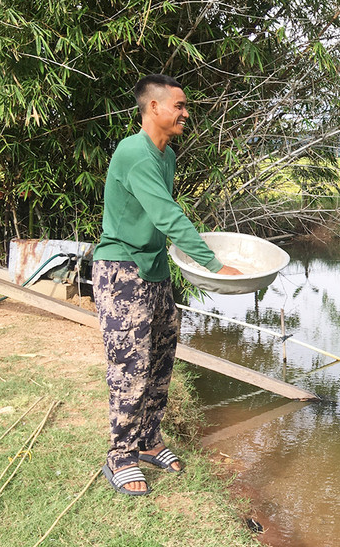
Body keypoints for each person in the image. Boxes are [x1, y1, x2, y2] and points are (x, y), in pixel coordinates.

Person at [93, 74, 242, 495]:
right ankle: (120, 454)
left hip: (154, 272)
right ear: (153, 108)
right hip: (122, 272)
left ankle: (146, 441)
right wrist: (212, 263)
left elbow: (161, 224)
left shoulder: (167, 156)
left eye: (185, 105)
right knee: (131, 366)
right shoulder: (134, 153)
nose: (185, 113)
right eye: (178, 105)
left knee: (159, 362)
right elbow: (167, 217)